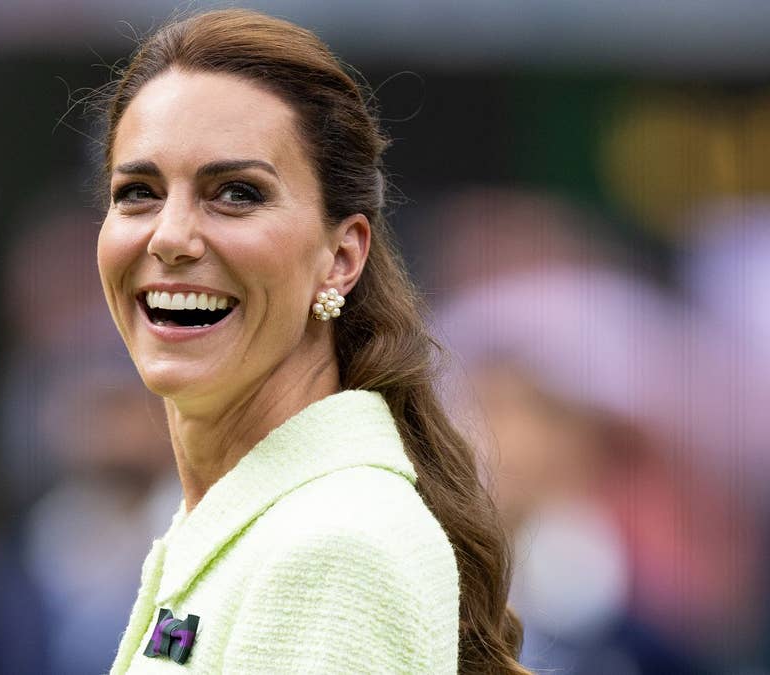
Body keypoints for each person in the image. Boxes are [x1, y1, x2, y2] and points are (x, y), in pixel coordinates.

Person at [95, 9, 525, 674]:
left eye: (236, 193)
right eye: (138, 192)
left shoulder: (332, 546)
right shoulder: (264, 520)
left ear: (342, 257)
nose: (170, 236)